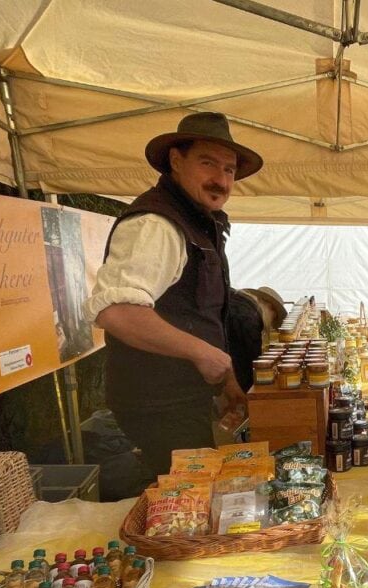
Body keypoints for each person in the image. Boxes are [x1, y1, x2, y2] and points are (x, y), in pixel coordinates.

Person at [83, 111, 263, 479]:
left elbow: (200, 314)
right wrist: (202, 353)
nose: (221, 179)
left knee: (194, 495)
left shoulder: (196, 221)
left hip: (181, 398)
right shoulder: (157, 224)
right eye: (207, 163)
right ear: (176, 162)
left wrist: (226, 380)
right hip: (158, 402)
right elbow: (116, 311)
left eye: (229, 170)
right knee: (187, 502)